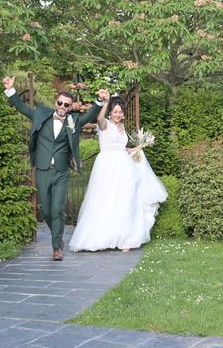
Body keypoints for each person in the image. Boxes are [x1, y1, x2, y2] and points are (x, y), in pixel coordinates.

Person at [2, 76, 109, 260]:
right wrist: (11, 90)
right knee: (46, 210)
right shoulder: (41, 115)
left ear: (70, 107)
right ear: (55, 102)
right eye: (60, 103)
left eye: (66, 105)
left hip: (61, 172)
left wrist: (99, 101)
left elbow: (90, 115)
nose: (62, 107)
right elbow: (22, 107)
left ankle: (56, 248)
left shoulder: (73, 121)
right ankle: (57, 238)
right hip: (43, 170)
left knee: (58, 209)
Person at [69, 96, 167, 252]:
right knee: (105, 199)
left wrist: (136, 149)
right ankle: (99, 237)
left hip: (124, 167)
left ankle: (125, 239)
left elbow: (123, 149)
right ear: (110, 112)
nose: (118, 114)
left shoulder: (122, 128)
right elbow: (99, 117)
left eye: (120, 112)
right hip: (107, 166)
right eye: (115, 111)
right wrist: (105, 102)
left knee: (124, 200)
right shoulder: (104, 124)